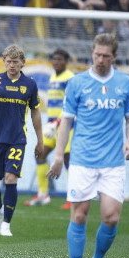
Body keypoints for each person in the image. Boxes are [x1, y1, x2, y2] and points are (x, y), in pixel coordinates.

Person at [47, 33, 129, 258]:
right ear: (92, 53)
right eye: (97, 54)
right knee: (79, 214)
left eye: (106, 56)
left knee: (111, 217)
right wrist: (58, 156)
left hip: (113, 162)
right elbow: (66, 121)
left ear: (114, 57)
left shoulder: (124, 83)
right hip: (83, 160)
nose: (100, 59)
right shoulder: (77, 83)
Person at [0, 44, 43, 237]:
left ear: (23, 62)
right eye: (9, 61)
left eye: (15, 61)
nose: (12, 65)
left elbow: (35, 112)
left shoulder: (30, 84)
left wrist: (40, 140)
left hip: (17, 140)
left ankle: (6, 225)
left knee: (11, 178)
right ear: (4, 61)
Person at [25, 48, 74, 209]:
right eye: (54, 59)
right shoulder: (53, 77)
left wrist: (58, 121)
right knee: (40, 153)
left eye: (60, 59)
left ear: (66, 62)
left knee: (67, 159)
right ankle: (43, 194)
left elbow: (71, 103)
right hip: (52, 125)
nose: (56, 62)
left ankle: (74, 197)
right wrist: (50, 122)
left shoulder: (70, 78)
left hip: (66, 126)